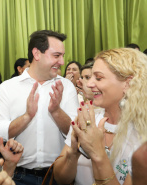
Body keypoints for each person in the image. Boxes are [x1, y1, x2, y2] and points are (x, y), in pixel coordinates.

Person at [0, 30, 79, 185]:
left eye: (63, 55)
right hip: (18, 176)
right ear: (37, 54)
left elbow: (75, 135)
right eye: (57, 55)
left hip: (57, 177)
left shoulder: (66, 87)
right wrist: (26, 117)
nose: (62, 62)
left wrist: (56, 111)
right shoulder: (8, 87)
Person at [54, 48, 147, 185]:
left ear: (127, 84)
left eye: (98, 78)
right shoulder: (86, 119)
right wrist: (73, 153)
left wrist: (97, 153)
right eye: (90, 77)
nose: (90, 84)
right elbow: (61, 179)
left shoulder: (142, 135)